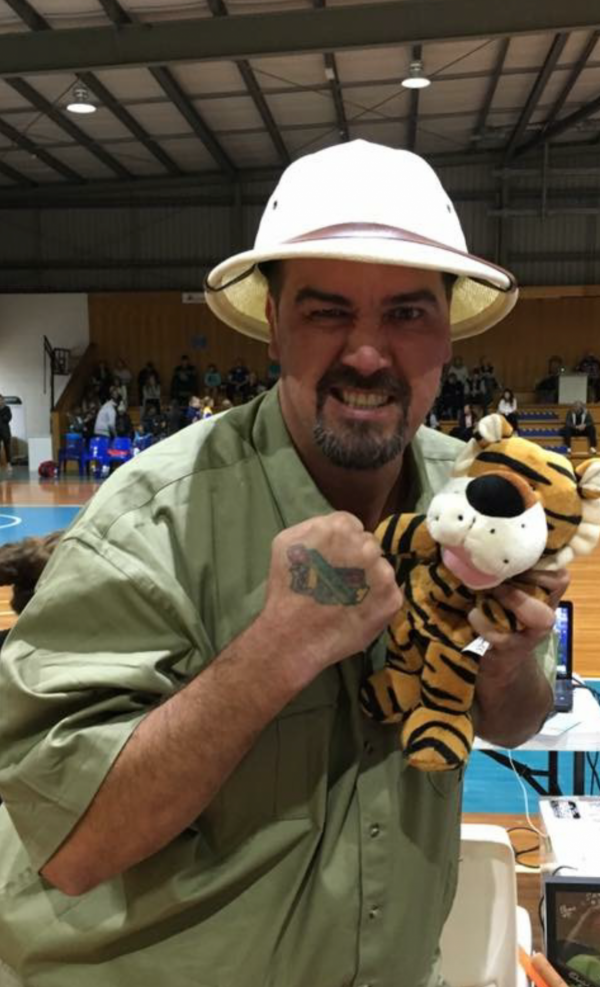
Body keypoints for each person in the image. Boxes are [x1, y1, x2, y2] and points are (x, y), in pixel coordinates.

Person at [0, 141, 561, 987]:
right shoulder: (155, 515)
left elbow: (513, 721)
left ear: (449, 332)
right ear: (272, 324)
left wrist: (514, 665)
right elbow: (74, 847)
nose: (368, 354)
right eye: (326, 312)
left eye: (407, 313)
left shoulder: (480, 501)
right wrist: (275, 652)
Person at [0, 394, 13, 474]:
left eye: (0, 399)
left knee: (7, 448)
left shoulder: (7, 408)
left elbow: (8, 418)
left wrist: (2, 417)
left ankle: (9, 464)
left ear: (3, 400)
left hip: (5, 431)